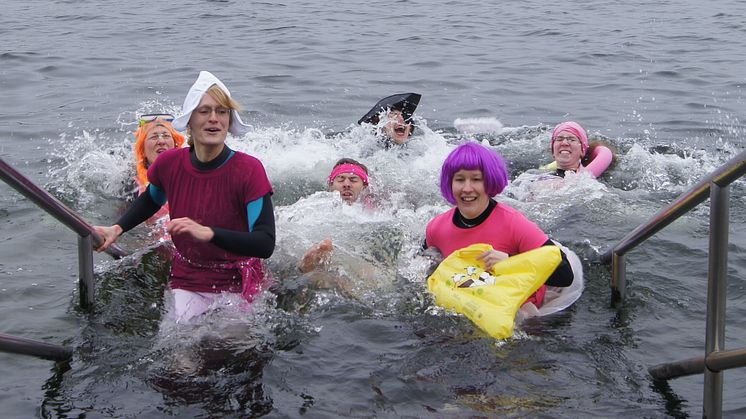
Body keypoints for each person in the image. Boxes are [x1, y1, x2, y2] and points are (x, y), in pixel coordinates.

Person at [94, 71, 275, 322]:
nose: (214, 118)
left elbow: (265, 243)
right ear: (189, 120)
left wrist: (209, 233)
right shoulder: (169, 164)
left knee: (229, 348)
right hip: (188, 279)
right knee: (181, 356)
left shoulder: (249, 170)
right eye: (204, 111)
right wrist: (117, 228)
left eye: (222, 111)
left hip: (237, 284)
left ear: (229, 121)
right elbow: (152, 199)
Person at [424, 142, 575, 308]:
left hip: (522, 313)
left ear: (489, 182)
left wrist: (510, 262)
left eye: (476, 179)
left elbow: (565, 275)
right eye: (459, 180)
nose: (467, 188)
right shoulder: (436, 228)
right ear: (450, 183)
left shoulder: (514, 223)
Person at [298, 158, 371, 275]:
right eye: (341, 180)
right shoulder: (313, 210)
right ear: (331, 185)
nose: (347, 184)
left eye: (353, 180)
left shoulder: (375, 215)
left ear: (364, 187)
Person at [132, 114, 185, 221]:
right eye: (154, 137)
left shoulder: (192, 173)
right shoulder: (131, 185)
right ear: (142, 150)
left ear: (175, 145)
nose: (161, 141)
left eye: (166, 136)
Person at [545, 121, 614, 178]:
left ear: (582, 150)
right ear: (553, 151)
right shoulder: (541, 175)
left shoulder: (588, 181)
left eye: (572, 140)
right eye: (559, 139)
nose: (564, 143)